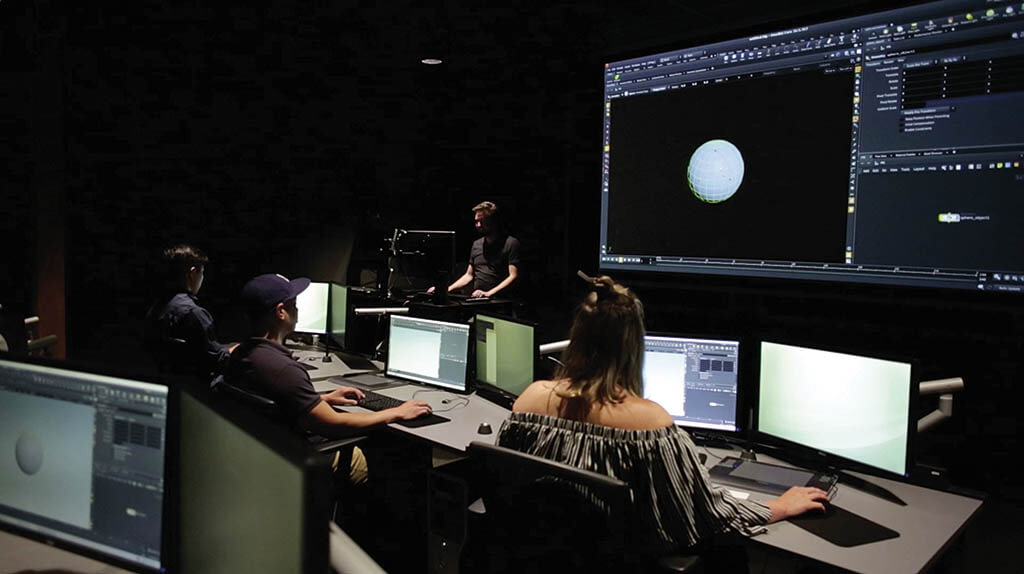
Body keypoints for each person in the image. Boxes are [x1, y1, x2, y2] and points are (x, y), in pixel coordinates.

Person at [497, 275, 828, 558]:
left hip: (537, 559)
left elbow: (508, 491)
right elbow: (706, 518)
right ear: (633, 347)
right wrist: (778, 507)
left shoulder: (529, 401)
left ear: (577, 338)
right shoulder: (652, 425)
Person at [224, 273, 433, 436]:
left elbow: (280, 403)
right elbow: (334, 424)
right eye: (294, 305)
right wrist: (395, 412)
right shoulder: (286, 371)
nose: (297, 310)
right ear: (280, 312)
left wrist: (322, 399)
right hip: (303, 459)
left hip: (269, 449)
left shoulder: (240, 354)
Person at [145, 244, 237, 379]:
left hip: (171, 378)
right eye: (202, 272)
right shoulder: (194, 313)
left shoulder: (156, 308)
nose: (202, 278)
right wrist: (238, 349)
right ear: (192, 273)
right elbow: (217, 359)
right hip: (199, 386)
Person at [430, 201, 520, 298]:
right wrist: (446, 290)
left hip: (501, 302)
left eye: (482, 221)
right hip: (478, 300)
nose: (478, 225)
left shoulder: (511, 243)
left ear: (493, 221)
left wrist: (489, 293)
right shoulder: (476, 244)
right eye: (476, 221)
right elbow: (469, 275)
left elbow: (513, 276)